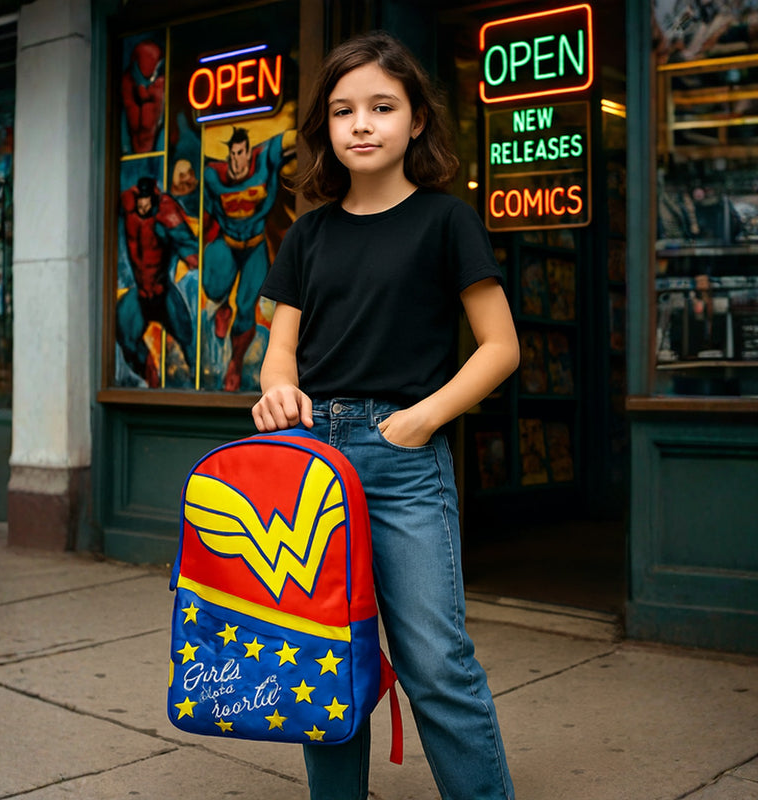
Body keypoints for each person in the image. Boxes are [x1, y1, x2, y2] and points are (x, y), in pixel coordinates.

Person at [252, 31, 519, 800]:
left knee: (436, 660)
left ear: (417, 122)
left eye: (381, 106)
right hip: (309, 463)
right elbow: (281, 353)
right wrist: (277, 390)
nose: (361, 124)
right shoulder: (308, 233)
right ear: (326, 128)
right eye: (343, 110)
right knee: (321, 657)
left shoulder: (446, 222)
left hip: (402, 457)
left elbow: (500, 348)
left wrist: (421, 419)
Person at [202, 126, 296, 391]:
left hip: (254, 245)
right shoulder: (213, 175)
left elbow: (294, 138)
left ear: (248, 153)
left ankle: (235, 362)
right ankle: (222, 306)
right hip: (227, 242)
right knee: (214, 288)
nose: (236, 161)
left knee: (247, 309)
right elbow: (207, 210)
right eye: (232, 154)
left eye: (241, 153)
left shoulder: (264, 159)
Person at [117, 176, 199, 386]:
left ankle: (198, 383)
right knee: (124, 333)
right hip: (141, 293)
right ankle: (152, 380)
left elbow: (190, 249)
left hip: (163, 292)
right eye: (140, 201)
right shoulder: (128, 205)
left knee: (188, 339)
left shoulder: (165, 212)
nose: (143, 206)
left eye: (147, 201)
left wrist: (185, 251)